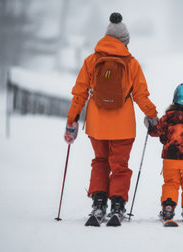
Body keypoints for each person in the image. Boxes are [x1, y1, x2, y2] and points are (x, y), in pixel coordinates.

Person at [64, 12, 158, 223]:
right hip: (123, 127)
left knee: (100, 162)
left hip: (97, 126)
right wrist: (152, 115)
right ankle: (117, 204)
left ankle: (98, 203)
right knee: (120, 166)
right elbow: (141, 95)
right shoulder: (131, 63)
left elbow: (79, 93)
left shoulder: (91, 60)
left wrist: (72, 118)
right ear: (125, 42)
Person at [144, 83, 183, 223]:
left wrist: (150, 125)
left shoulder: (167, 118)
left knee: (171, 183)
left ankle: (168, 208)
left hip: (170, 159)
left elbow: (156, 132)